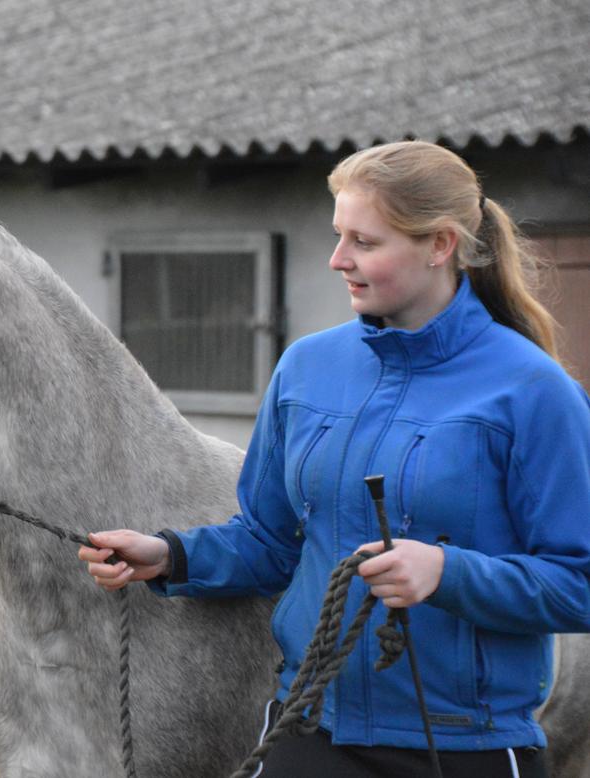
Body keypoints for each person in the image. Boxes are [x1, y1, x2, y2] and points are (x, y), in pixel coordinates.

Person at [79, 141, 590, 778]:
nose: (338, 259)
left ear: (441, 245)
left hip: (468, 747)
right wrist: (172, 555)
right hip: (311, 727)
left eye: (365, 242)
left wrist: (447, 572)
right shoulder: (305, 368)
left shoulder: (534, 392)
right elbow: (270, 541)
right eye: (338, 234)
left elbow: (580, 583)